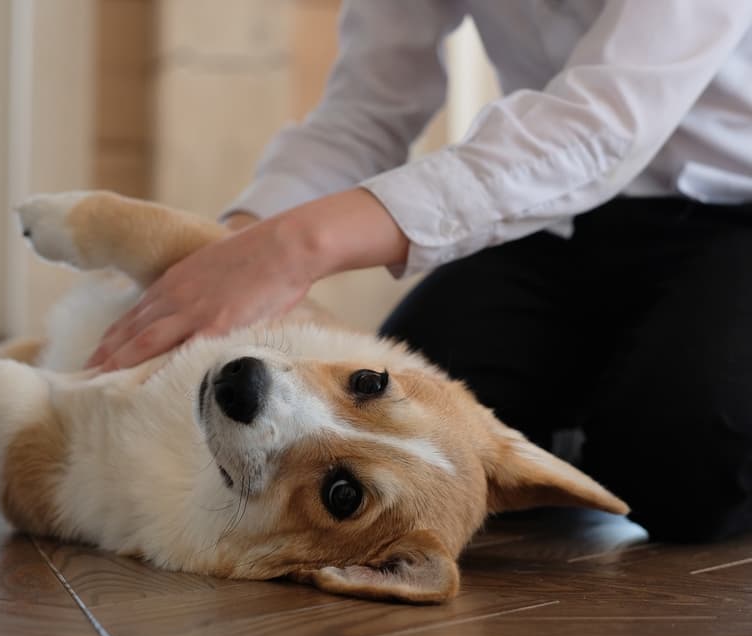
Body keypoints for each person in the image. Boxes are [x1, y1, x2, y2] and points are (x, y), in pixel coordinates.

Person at [86, 1, 752, 543]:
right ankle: (609, 408)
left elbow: (600, 126)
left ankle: (628, 416)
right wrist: (231, 248)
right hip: (562, 223)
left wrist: (295, 247)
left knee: (681, 475)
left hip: (735, 211)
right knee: (412, 392)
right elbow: (365, 113)